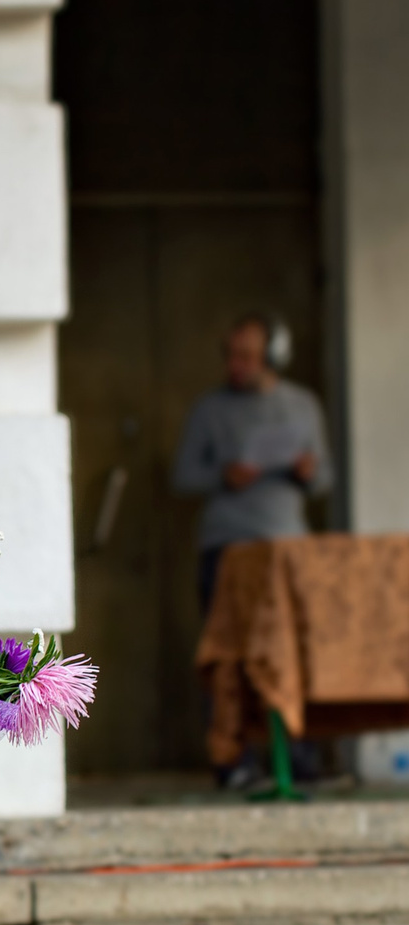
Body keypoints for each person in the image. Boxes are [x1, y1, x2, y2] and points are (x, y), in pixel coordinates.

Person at [170, 312, 331, 785]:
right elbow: (182, 476)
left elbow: (325, 479)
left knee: (295, 653)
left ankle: (301, 759)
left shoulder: (303, 406)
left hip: (287, 548)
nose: (235, 365)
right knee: (228, 659)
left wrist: (307, 471)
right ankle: (232, 761)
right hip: (228, 547)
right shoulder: (210, 410)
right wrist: (224, 474)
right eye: (230, 355)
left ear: (273, 357)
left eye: (246, 355)